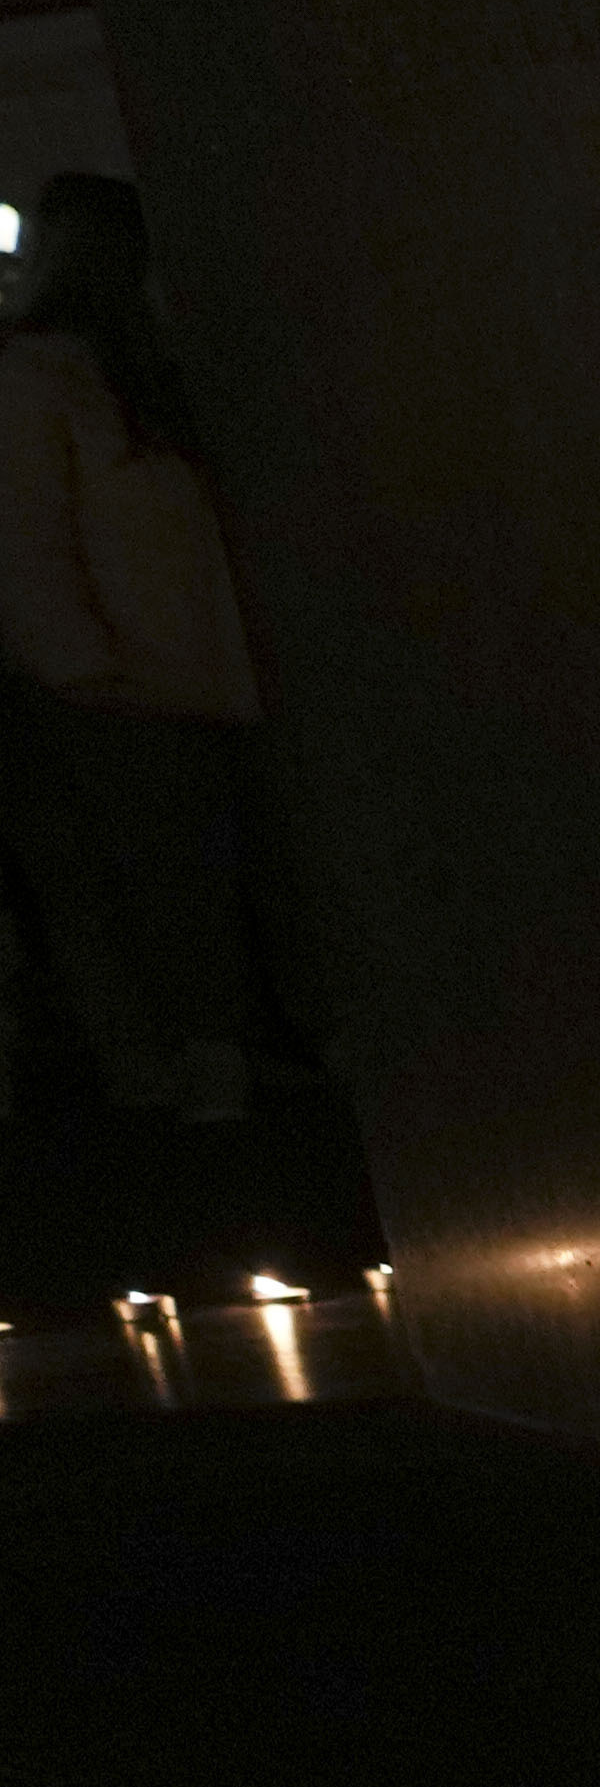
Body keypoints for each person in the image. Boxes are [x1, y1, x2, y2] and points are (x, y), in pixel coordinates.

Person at [0, 174, 270, 1122]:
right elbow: (30, 543)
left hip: (123, 682)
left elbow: (28, 539)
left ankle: (181, 1111)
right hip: (150, 680)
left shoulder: (57, 376)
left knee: (133, 916)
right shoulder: (121, 375)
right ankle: (202, 1104)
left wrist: (79, 662)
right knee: (171, 909)